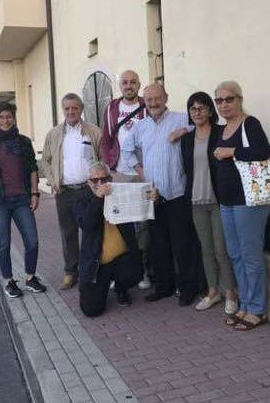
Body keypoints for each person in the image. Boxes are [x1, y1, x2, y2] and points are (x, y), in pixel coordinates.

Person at [121, 83, 198, 305]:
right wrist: (140, 169)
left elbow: (203, 127)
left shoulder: (181, 118)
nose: (153, 103)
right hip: (153, 195)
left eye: (157, 98)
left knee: (182, 244)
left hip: (177, 194)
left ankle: (187, 289)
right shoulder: (140, 126)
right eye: (149, 99)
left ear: (166, 97)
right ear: (144, 101)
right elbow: (127, 150)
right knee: (159, 245)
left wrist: (184, 130)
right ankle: (164, 286)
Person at [213, 81, 270, 330]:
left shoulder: (250, 123)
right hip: (227, 202)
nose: (224, 105)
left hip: (249, 201)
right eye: (219, 101)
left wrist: (232, 152)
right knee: (235, 254)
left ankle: (257, 309)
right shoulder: (223, 129)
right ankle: (245, 304)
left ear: (239, 99)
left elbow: (263, 151)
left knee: (250, 255)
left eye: (229, 99)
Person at [0, 101, 47, 297]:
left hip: (21, 200)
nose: (5, 120)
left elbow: (33, 168)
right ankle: (9, 281)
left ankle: (30, 278)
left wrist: (35, 193)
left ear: (14, 117)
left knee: (32, 241)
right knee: (3, 243)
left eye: (8, 116)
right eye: (1, 117)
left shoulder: (23, 141)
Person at [181, 92, 237, 314]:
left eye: (202, 108)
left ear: (210, 111)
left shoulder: (221, 133)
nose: (197, 112)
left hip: (218, 200)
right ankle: (213, 291)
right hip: (196, 201)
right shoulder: (186, 138)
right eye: (193, 108)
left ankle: (230, 293)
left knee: (221, 250)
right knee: (206, 249)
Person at [42, 93, 103, 290]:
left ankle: (93, 269)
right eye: (67, 108)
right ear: (63, 110)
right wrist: (53, 181)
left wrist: (99, 184)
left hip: (89, 190)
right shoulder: (54, 134)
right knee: (68, 233)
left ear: (81, 109)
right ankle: (70, 272)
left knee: (91, 231)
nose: (71, 112)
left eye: (74, 108)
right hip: (65, 191)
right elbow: (46, 161)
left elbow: (103, 159)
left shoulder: (94, 132)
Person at [101, 70, 150, 289]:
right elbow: (106, 139)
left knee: (143, 224)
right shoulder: (111, 108)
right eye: (125, 83)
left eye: (132, 82)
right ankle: (118, 272)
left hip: (141, 172)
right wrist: (108, 167)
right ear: (119, 86)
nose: (129, 86)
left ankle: (144, 272)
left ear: (139, 84)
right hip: (118, 172)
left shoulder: (147, 105)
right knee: (119, 224)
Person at [74, 162, 143, 316]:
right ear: (88, 182)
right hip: (97, 263)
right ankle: (99, 286)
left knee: (135, 272)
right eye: (95, 180)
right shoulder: (82, 199)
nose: (100, 183)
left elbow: (142, 207)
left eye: (104, 179)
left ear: (110, 178)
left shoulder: (119, 193)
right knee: (91, 310)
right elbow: (86, 224)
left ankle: (120, 287)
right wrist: (98, 198)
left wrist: (154, 198)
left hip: (121, 257)